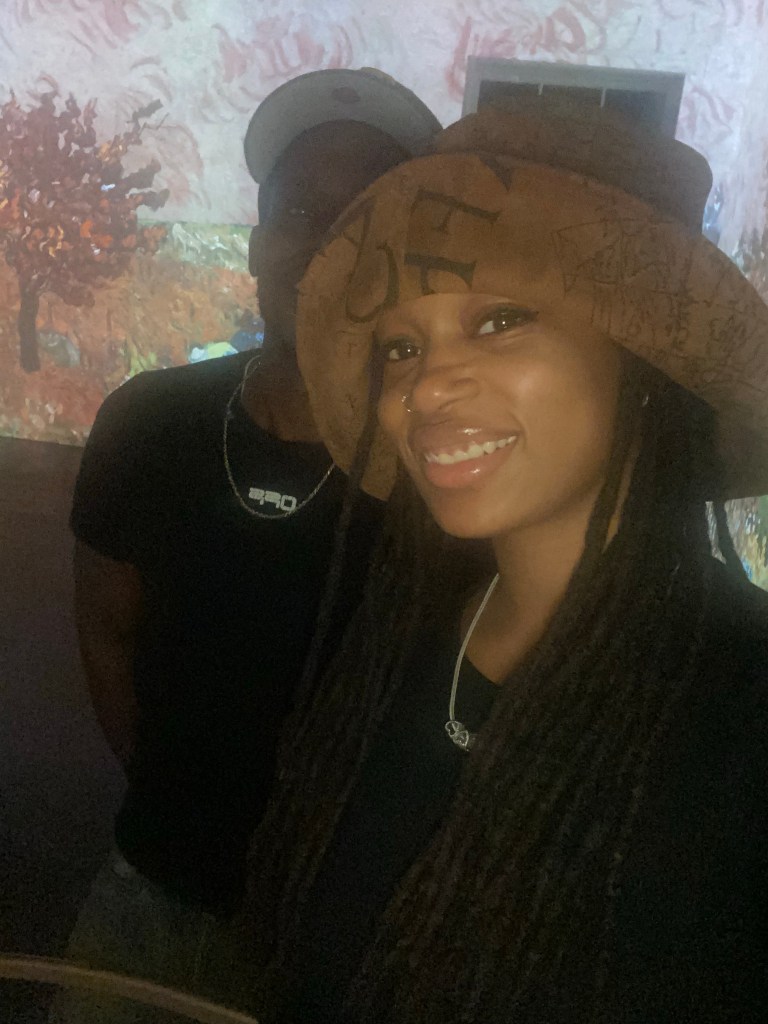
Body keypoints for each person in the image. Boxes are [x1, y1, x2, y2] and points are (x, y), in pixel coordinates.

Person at [238, 104, 768, 1023]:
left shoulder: (741, 708)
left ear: (644, 362)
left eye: (500, 320)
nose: (425, 386)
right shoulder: (406, 628)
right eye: (402, 346)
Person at [53, 69, 440, 1020]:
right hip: (154, 890)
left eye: (364, 218)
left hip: (350, 931)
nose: (327, 242)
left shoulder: (446, 466)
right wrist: (181, 810)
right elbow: (107, 637)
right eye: (300, 210)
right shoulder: (148, 424)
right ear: (261, 244)